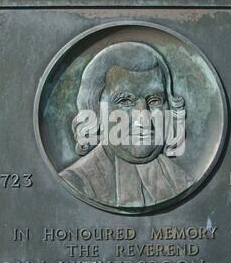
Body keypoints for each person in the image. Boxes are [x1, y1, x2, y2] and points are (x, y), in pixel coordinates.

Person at [59, 42, 194, 208]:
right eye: (125, 101)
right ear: (96, 109)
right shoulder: (75, 182)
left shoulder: (181, 181)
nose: (143, 118)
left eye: (155, 101)